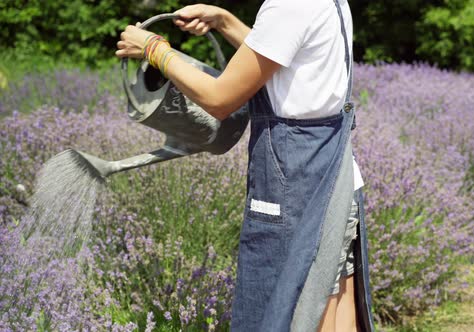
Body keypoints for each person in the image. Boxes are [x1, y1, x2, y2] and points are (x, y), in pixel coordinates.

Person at [116, 1, 374, 331]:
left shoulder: (289, 4)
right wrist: (223, 21)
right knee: (335, 308)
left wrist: (155, 50)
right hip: (335, 177)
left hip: (300, 188)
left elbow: (220, 99)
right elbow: (279, 53)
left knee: (295, 313)